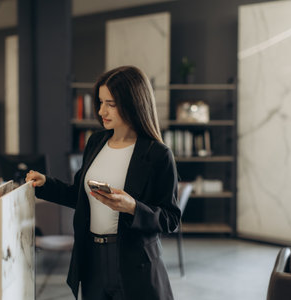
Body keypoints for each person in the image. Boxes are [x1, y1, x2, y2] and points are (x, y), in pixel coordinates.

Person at [26, 65, 180, 300]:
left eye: (111, 104)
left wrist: (132, 207)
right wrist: (45, 183)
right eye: (100, 102)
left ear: (133, 103)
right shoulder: (95, 143)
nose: (101, 111)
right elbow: (78, 195)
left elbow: (171, 219)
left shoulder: (158, 154)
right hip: (92, 261)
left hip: (135, 264)